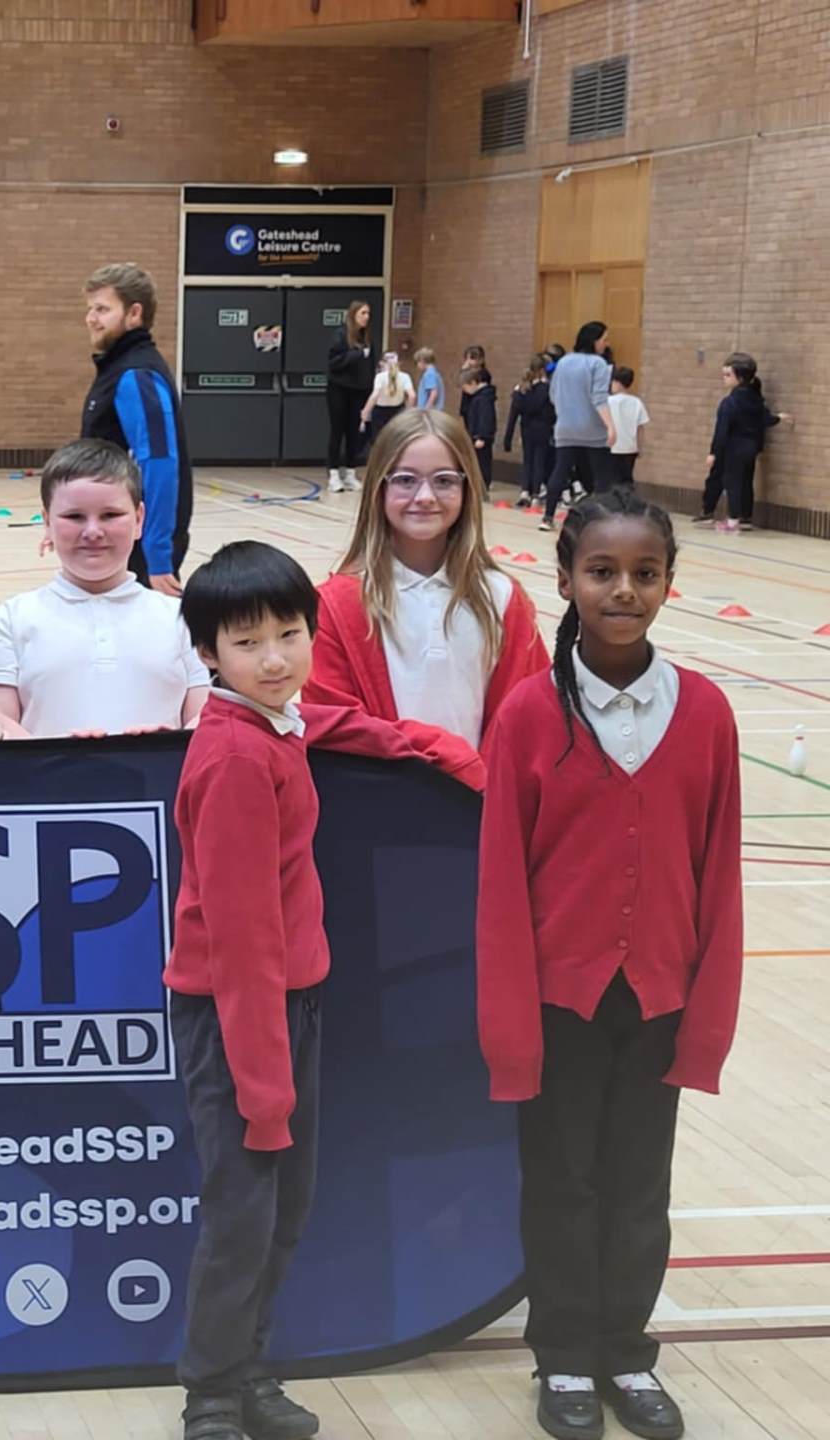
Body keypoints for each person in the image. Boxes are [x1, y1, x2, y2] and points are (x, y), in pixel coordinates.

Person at [169, 541, 473, 1440]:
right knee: (244, 1213)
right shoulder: (234, 759)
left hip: (285, 1004)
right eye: (247, 643)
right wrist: (264, 1091)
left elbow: (326, 722)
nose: (274, 659)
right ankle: (211, 1395)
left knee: (283, 1210)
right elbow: (242, 943)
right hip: (238, 1014)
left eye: (290, 635)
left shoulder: (276, 723)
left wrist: (421, 742)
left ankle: (250, 1368)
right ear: (208, 655)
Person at [477, 490, 742, 1440]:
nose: (623, 589)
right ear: (565, 581)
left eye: (644, 573)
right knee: (562, 1184)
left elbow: (719, 873)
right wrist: (510, 1025)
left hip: (660, 999)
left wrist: (708, 1015)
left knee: (639, 1187)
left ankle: (626, 1350)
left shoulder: (705, 713)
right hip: (562, 1003)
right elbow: (501, 882)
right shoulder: (527, 715)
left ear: (669, 584)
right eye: (602, 571)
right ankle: (562, 1356)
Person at [307, 410, 547, 788]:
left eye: (444, 481)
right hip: (377, 805)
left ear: (467, 488)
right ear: (379, 488)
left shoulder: (502, 598)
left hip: (479, 805)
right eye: (405, 480)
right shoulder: (336, 605)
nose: (425, 497)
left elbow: (528, 715)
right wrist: (444, 757)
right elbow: (334, 722)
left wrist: (484, 789)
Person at [0, 439, 209, 739]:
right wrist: (55, 756)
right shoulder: (14, 617)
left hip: (159, 770)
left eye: (110, 515)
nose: (93, 531)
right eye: (74, 516)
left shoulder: (181, 618)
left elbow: (206, 713)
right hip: (48, 770)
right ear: (47, 523)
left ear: (139, 520)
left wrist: (166, 745)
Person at [80, 262, 192, 593]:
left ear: (134, 313)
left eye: (102, 309)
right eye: (90, 309)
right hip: (108, 537)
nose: (91, 318)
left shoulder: (136, 374)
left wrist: (158, 557)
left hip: (135, 549)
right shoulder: (117, 369)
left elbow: (159, 463)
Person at [697, 352, 790, 534]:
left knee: (732, 482)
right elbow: (765, 419)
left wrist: (714, 453)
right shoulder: (755, 399)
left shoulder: (729, 403)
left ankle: (732, 521)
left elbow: (722, 431)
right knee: (746, 481)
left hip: (734, 448)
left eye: (728, 375)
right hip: (751, 447)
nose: (724, 378)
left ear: (739, 378)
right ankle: (746, 518)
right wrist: (779, 417)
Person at [540, 322, 617, 532]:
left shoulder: (564, 362)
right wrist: (610, 426)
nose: (606, 344)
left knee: (560, 471)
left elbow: (553, 395)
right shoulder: (598, 364)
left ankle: (547, 517)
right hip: (592, 429)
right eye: (604, 339)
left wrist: (566, 413)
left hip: (565, 428)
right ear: (594, 341)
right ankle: (601, 520)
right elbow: (599, 397)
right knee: (601, 476)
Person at [324, 301, 375, 494]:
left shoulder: (367, 338)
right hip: (339, 389)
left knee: (354, 432)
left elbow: (370, 365)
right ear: (353, 314)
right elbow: (333, 363)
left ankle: (350, 473)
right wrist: (356, 355)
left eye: (368, 313)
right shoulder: (340, 335)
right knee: (338, 430)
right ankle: (333, 474)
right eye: (363, 313)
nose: (366, 317)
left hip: (359, 391)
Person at [505, 354, 557, 511]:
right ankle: (535, 494)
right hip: (542, 429)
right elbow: (550, 411)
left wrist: (508, 437)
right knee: (539, 462)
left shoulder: (521, 389)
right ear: (543, 370)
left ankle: (524, 492)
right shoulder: (546, 389)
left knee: (527, 460)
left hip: (526, 429)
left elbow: (514, 412)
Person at [604, 366, 648, 488]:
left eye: (613, 382)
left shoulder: (608, 401)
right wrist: (639, 447)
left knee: (611, 481)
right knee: (627, 480)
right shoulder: (637, 402)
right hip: (630, 448)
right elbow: (640, 428)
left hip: (611, 447)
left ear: (618, 383)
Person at [359, 351, 415, 449]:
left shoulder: (380, 377)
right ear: (399, 363)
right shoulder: (405, 376)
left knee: (379, 442)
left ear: (382, 363)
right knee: (396, 441)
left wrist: (365, 411)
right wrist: (407, 411)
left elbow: (374, 395)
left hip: (380, 412)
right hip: (397, 411)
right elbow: (412, 396)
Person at [459, 365, 497, 490]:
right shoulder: (477, 398)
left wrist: (482, 436)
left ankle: (483, 486)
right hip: (477, 436)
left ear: (473, 383)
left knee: (482, 463)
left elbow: (485, 418)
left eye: (466, 388)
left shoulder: (483, 399)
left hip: (481, 437)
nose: (465, 392)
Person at [414, 347, 444, 412]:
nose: (417, 366)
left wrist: (426, 410)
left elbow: (433, 394)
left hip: (429, 412)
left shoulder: (429, 374)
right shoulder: (434, 373)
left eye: (417, 362)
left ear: (422, 360)